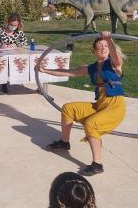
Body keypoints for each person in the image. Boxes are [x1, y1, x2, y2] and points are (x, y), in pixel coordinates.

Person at [37, 31, 126, 176]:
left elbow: (116, 56)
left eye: (106, 46)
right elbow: (69, 72)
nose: (103, 48)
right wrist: (44, 70)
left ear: (109, 49)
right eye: (99, 46)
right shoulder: (91, 68)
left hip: (115, 107)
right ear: (94, 51)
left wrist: (109, 39)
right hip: (100, 105)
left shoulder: (114, 65)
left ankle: (97, 164)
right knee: (69, 108)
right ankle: (64, 142)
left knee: (91, 124)